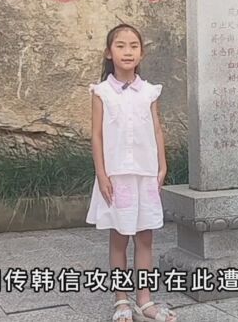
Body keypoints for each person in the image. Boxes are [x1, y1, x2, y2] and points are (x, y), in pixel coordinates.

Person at [86, 23, 178, 322]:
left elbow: (156, 129)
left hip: (145, 174)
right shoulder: (101, 92)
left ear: (142, 53)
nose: (128, 51)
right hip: (116, 176)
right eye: (121, 45)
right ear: (108, 53)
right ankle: (121, 301)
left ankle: (145, 300)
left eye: (134, 46)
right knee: (119, 237)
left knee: (145, 237)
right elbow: (97, 135)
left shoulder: (149, 91)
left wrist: (162, 165)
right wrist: (102, 174)